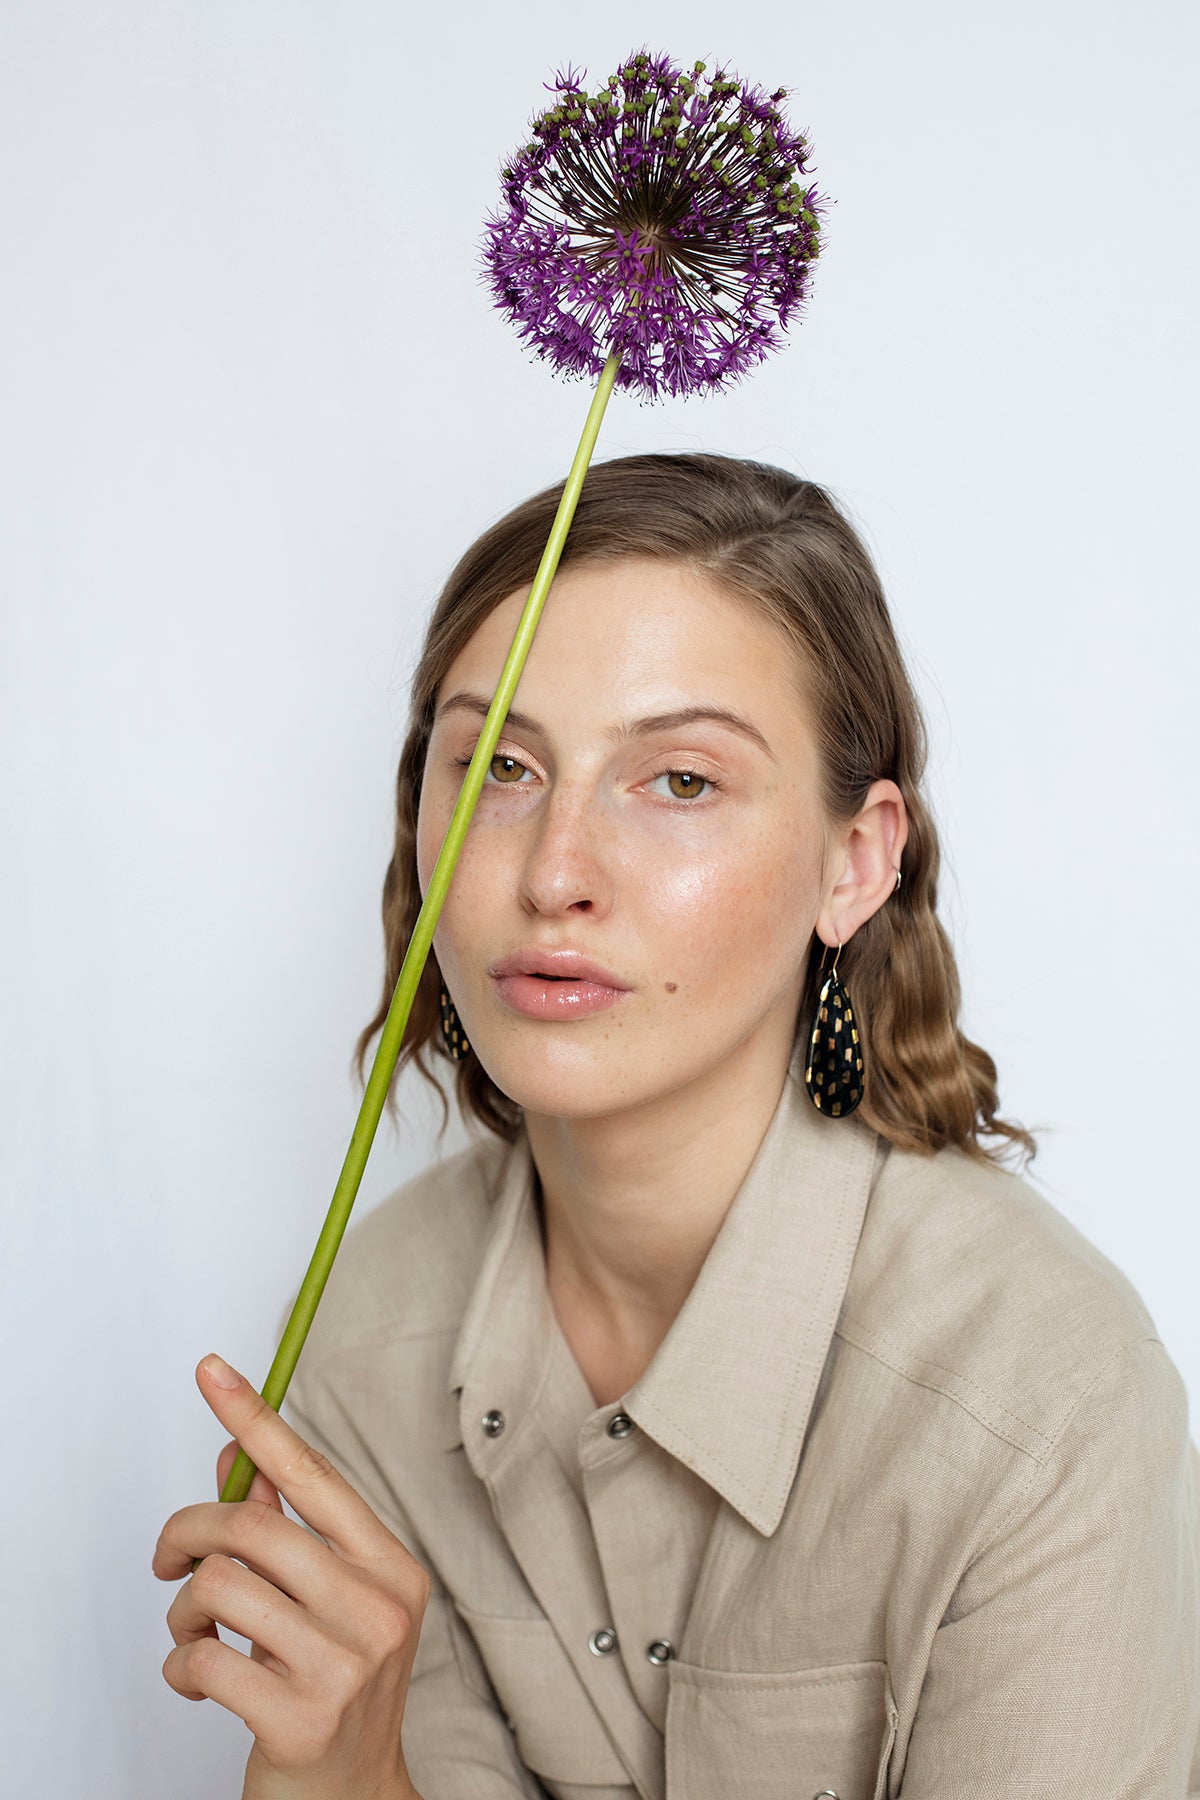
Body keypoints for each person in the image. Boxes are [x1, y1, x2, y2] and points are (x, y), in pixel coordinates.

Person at [154, 453, 1200, 1799]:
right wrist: (343, 1780)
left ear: (856, 861)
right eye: (502, 767)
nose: (553, 873)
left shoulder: (1036, 1404)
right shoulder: (371, 1330)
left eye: (682, 782)